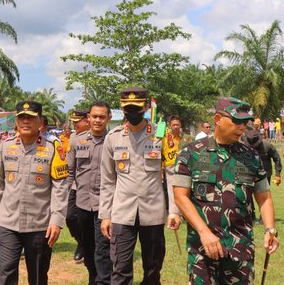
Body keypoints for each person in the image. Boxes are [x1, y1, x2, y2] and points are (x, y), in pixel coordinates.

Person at [173, 97, 279, 284]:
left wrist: (270, 229)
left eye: (245, 122)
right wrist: (204, 232)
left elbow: (264, 197)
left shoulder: (251, 156)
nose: (242, 127)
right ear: (217, 119)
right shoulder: (191, 153)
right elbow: (180, 197)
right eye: (236, 121)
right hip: (202, 250)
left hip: (240, 249)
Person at [99, 88, 181, 285]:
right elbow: (108, 180)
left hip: (152, 212)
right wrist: (105, 215)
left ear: (145, 107)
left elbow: (172, 175)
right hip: (121, 213)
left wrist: (175, 211)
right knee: (120, 269)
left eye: (137, 108)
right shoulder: (113, 137)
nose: (132, 113)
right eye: (128, 109)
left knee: (152, 270)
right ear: (122, 108)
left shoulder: (162, 136)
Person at [0, 101, 69, 285]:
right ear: (16, 121)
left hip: (39, 225)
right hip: (9, 223)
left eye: (30, 118)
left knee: (38, 276)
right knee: (5, 273)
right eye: (21, 117)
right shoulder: (6, 147)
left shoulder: (53, 148)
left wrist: (56, 220)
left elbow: (60, 188)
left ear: (40, 121)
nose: (25, 122)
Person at [68, 101, 113, 285]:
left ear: (109, 118)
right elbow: (70, 172)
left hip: (106, 205)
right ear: (88, 118)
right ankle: (93, 278)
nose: (97, 120)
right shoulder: (77, 141)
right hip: (83, 204)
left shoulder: (114, 141)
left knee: (103, 250)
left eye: (102, 117)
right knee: (88, 248)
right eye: (94, 116)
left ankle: (103, 281)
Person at [66, 109, 90, 264]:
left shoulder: (104, 137)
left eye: (77, 122)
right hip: (76, 186)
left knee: (88, 221)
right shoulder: (73, 138)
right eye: (73, 122)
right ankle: (81, 242)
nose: (75, 125)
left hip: (94, 188)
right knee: (70, 218)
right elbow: (70, 166)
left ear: (86, 121)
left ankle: (88, 247)